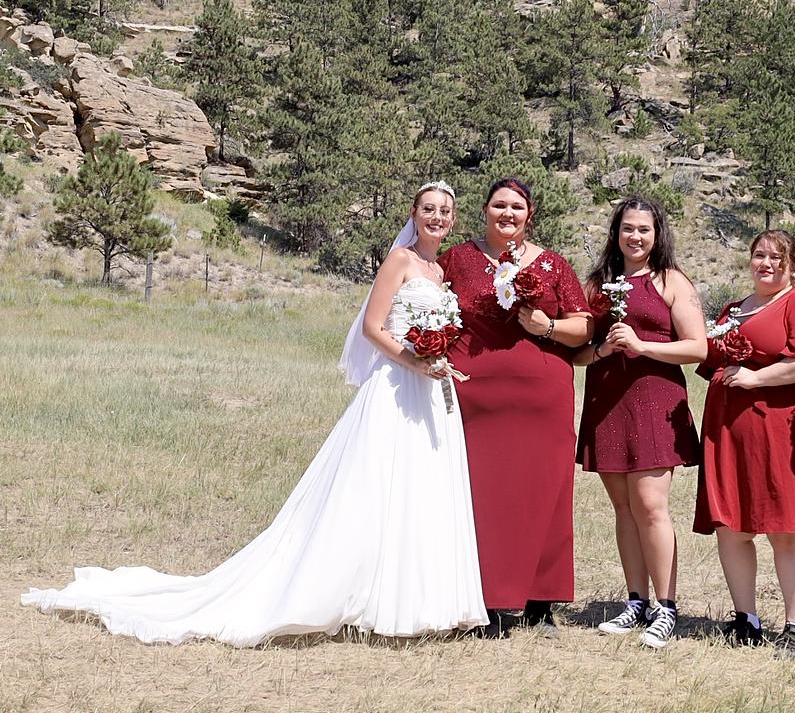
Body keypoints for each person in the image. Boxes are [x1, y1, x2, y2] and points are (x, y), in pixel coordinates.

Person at [22, 181, 486, 645]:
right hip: (396, 386)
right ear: (414, 213)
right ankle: (352, 596)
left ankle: (413, 602)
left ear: (453, 219)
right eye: (429, 209)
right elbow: (372, 327)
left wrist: (436, 357)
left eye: (445, 211)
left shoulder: (439, 270)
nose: (437, 217)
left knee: (419, 488)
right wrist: (413, 360)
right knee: (375, 487)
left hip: (431, 392)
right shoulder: (400, 260)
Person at [438, 177, 593, 635]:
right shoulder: (457, 259)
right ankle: (486, 601)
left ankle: (540, 602)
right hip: (474, 399)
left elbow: (583, 327)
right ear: (484, 210)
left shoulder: (553, 264)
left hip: (541, 398)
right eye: (499, 205)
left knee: (545, 494)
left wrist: (547, 327)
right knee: (484, 498)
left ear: (530, 214)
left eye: (517, 206)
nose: (508, 213)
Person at [695, 229, 795, 659]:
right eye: (759, 255)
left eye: (777, 257)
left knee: (786, 527)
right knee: (732, 525)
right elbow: (709, 358)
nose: (767, 263)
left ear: (793, 265)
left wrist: (756, 378)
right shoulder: (733, 310)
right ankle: (747, 620)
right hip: (730, 430)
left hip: (783, 430)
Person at [573, 197, 705, 649]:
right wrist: (603, 350)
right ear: (616, 233)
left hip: (654, 400)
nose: (635, 236)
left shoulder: (670, 280)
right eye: (627, 228)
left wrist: (643, 346)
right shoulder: (598, 284)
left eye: (644, 230)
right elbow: (577, 353)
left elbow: (698, 347)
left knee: (650, 505)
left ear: (657, 234)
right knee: (623, 508)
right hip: (607, 401)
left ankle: (666, 607)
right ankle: (636, 602)